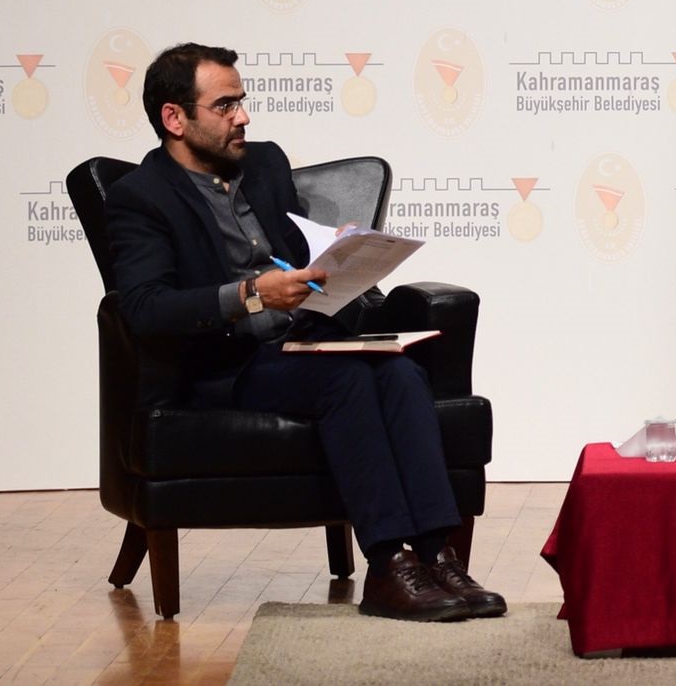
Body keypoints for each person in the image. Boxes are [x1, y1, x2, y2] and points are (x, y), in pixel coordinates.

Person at [105, 42, 505, 623]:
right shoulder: (141, 198)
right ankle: (387, 565)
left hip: (303, 339)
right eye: (224, 106)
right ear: (175, 118)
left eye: (241, 101)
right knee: (346, 380)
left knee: (399, 371)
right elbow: (145, 308)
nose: (243, 117)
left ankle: (435, 555)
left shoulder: (264, 166)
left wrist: (337, 251)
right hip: (227, 364)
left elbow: (294, 253)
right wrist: (251, 295)